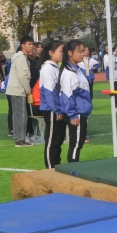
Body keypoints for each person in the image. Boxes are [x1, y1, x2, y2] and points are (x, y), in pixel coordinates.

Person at [60, 39, 93, 163]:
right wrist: (73, 115)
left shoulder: (76, 69)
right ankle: (73, 167)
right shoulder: (69, 73)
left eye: (83, 51)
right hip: (77, 113)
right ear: (70, 52)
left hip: (81, 111)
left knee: (78, 144)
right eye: (79, 51)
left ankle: (74, 166)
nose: (82, 54)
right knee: (75, 144)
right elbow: (68, 96)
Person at [40, 40, 66, 168]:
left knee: (58, 140)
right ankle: (50, 168)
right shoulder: (48, 68)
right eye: (61, 51)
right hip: (51, 110)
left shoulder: (55, 67)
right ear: (51, 52)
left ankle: (56, 165)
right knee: (52, 141)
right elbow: (49, 92)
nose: (63, 53)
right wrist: (57, 110)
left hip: (57, 109)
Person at [6, 36, 35, 148]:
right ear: (22, 45)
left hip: (15, 89)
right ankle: (20, 140)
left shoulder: (19, 57)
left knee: (17, 115)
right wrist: (28, 90)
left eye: (32, 44)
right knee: (21, 115)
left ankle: (18, 138)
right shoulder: (21, 58)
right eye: (29, 44)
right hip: (18, 90)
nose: (31, 46)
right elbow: (23, 76)